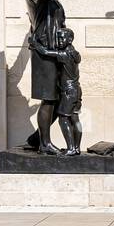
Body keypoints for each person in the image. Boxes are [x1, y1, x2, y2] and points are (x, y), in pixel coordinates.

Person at [18, 0, 90, 154]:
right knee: (49, 99)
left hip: (52, 46)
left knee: (57, 98)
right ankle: (45, 144)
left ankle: (36, 137)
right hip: (44, 50)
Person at [29, 26, 84, 156]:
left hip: (68, 92)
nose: (59, 40)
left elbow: (45, 52)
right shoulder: (75, 53)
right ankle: (76, 148)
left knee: (63, 119)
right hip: (76, 90)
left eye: (62, 37)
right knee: (75, 118)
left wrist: (35, 44)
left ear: (70, 39)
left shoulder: (65, 54)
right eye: (58, 37)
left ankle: (70, 148)